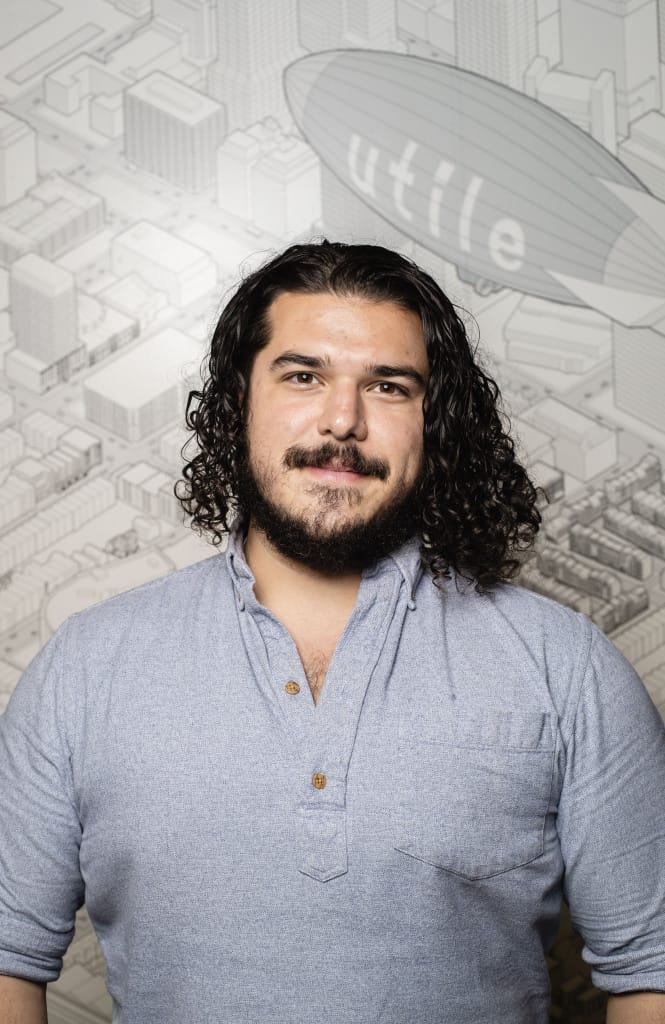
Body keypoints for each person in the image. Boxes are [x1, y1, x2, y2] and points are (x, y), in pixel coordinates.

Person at [1, 241, 665, 1024]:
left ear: (434, 423)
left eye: (388, 386)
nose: (342, 420)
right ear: (239, 398)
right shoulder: (86, 665)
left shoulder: (566, 665)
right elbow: (10, 960)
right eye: (303, 375)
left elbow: (648, 971)